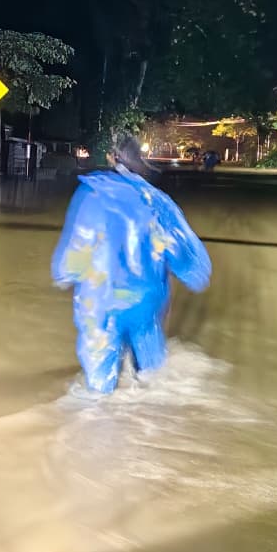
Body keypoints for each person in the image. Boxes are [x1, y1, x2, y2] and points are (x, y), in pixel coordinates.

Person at [52, 134, 212, 394]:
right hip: (145, 305)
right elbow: (192, 263)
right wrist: (195, 275)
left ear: (112, 160)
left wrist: (63, 273)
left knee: (97, 386)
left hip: (99, 303)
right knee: (151, 378)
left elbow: (76, 248)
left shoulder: (92, 193)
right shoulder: (159, 203)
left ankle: (97, 407)